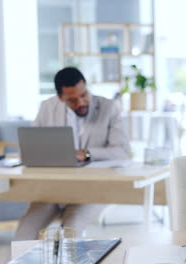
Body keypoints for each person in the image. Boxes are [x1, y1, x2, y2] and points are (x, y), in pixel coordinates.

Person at [14, 67, 131, 240]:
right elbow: (30, 147)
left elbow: (122, 152)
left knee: (70, 231)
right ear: (61, 98)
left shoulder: (109, 108)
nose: (81, 102)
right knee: (24, 231)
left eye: (84, 95)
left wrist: (88, 154)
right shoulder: (47, 107)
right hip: (53, 190)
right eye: (73, 100)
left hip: (90, 191)